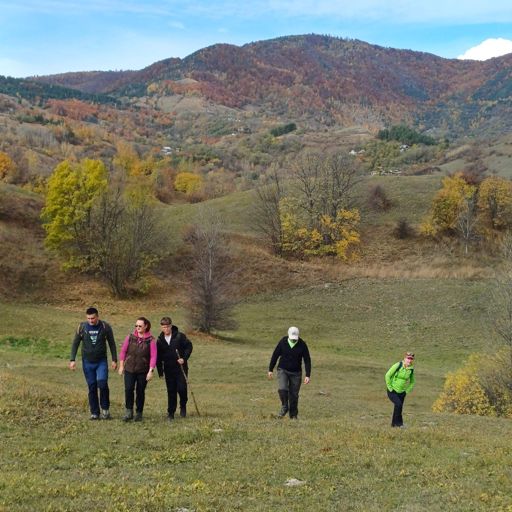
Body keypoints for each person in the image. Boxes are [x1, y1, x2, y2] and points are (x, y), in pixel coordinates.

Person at [69, 307, 117, 420]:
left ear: (97, 317)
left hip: (101, 361)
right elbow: (75, 343)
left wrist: (114, 359)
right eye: (89, 318)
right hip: (87, 362)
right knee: (92, 386)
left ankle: (105, 410)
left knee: (102, 384)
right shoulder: (82, 327)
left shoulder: (105, 327)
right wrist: (72, 360)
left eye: (93, 318)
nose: (91, 320)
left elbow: (112, 343)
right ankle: (95, 413)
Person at [118, 317, 157, 422]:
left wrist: (150, 371)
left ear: (146, 326)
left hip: (143, 371)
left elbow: (153, 356)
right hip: (129, 369)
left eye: (140, 326)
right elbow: (123, 351)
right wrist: (121, 366)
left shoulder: (151, 340)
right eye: (136, 326)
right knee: (128, 389)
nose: (137, 327)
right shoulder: (130, 337)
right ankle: (129, 411)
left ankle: (139, 413)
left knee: (140, 391)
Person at [268, 326, 311, 419]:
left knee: (294, 395)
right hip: (283, 370)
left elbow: (307, 360)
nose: (294, 340)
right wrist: (270, 369)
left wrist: (307, 375)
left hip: (296, 373)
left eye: (295, 338)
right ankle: (284, 406)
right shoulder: (283, 342)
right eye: (292, 338)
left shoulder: (302, 344)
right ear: (288, 335)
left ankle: (293, 415)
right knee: (282, 388)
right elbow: (275, 355)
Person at [156, 316, 193, 422]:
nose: (166, 329)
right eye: (164, 327)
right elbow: (158, 357)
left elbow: (189, 346)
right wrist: (160, 371)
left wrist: (184, 358)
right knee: (171, 391)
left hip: (181, 368)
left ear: (171, 326)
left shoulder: (180, 336)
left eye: (168, 327)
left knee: (182, 389)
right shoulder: (160, 340)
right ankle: (171, 413)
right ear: (161, 327)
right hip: (168, 369)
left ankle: (183, 405)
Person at [385, 351, 416, 428]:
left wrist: (406, 391)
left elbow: (412, 382)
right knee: (398, 405)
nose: (410, 360)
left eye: (411, 359)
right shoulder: (398, 365)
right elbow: (387, 375)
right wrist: (390, 388)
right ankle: (399, 424)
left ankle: (394, 424)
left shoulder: (411, 369)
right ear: (404, 358)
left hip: (402, 392)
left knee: (399, 407)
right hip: (392, 391)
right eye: (408, 358)